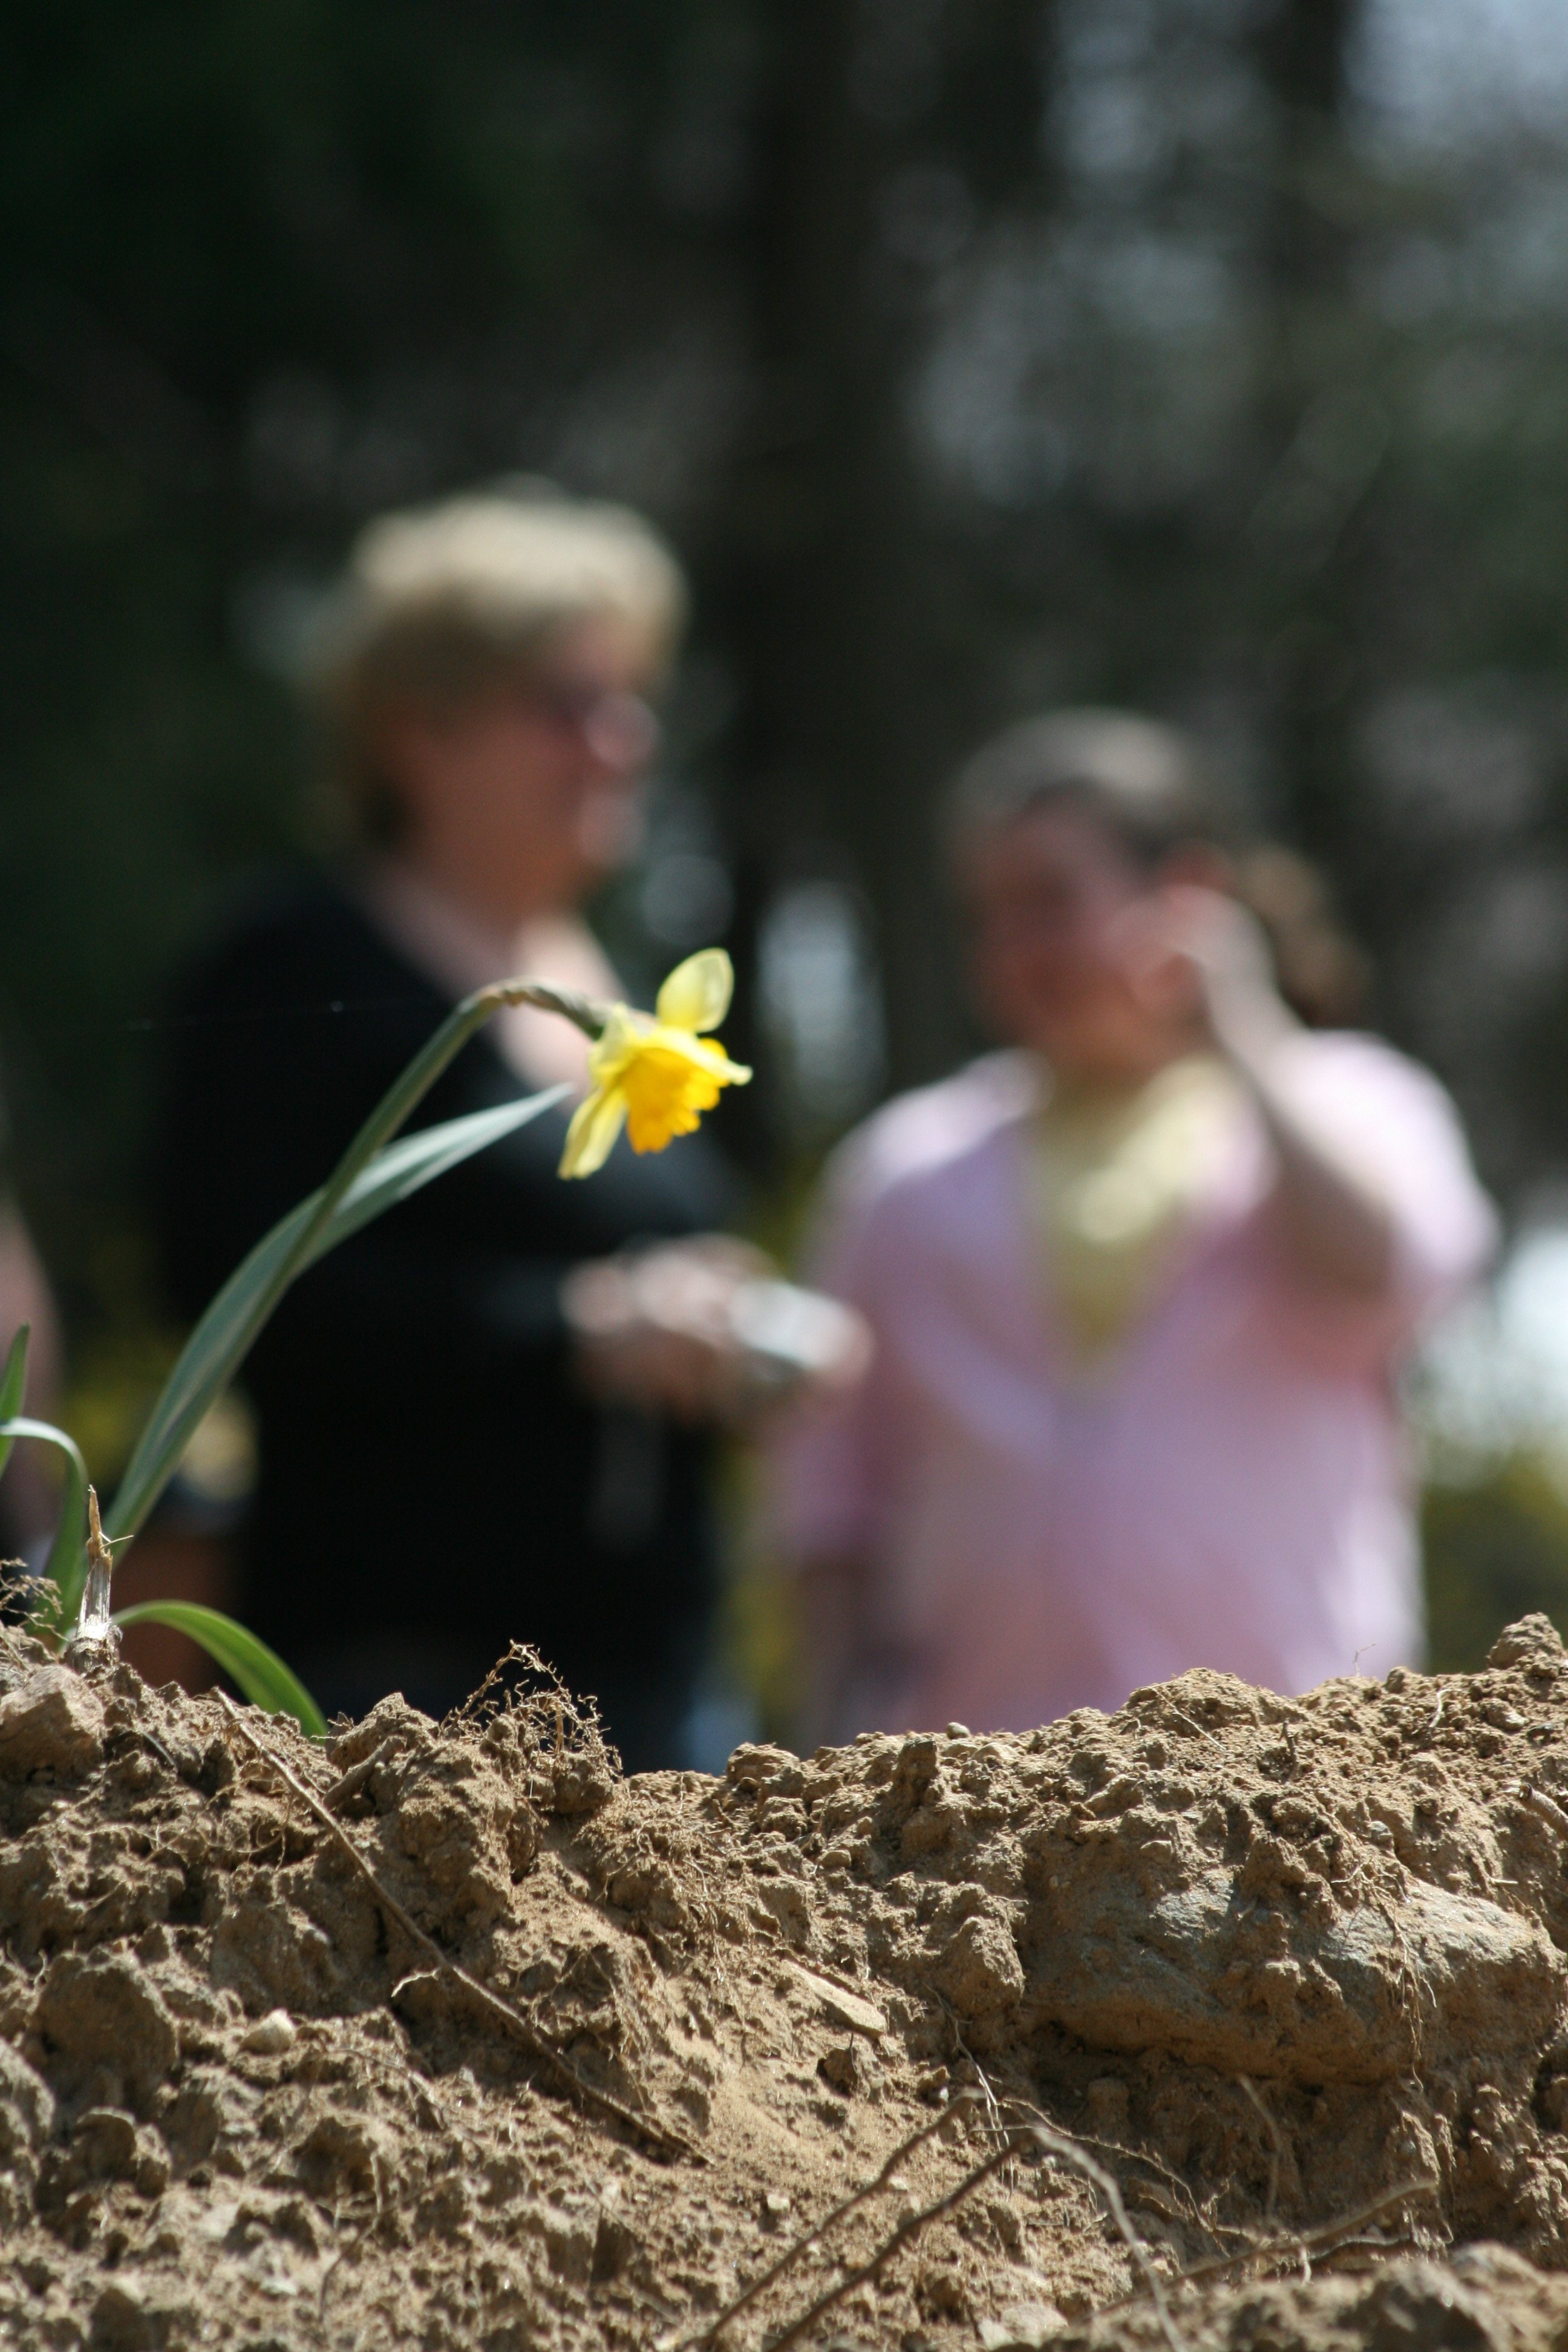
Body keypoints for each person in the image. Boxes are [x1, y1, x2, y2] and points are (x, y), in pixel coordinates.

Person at [154, 489, 768, 1762]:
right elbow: (234, 1295)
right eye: (568, 703)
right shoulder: (295, 968)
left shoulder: (615, 989)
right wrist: (577, 1328)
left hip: (661, 1684)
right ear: (418, 732)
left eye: (632, 701)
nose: (623, 742)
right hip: (401, 1695)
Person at [774, 710, 1498, 1743]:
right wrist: (827, 1743)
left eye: (1050, 902)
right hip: (985, 1778)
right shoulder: (904, 1168)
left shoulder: (1353, 1100)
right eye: (989, 916)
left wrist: (1244, 1029)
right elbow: (835, 1488)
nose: (1014, 950)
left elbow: (1386, 1274)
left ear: (1186, 895)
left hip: (1299, 1768)